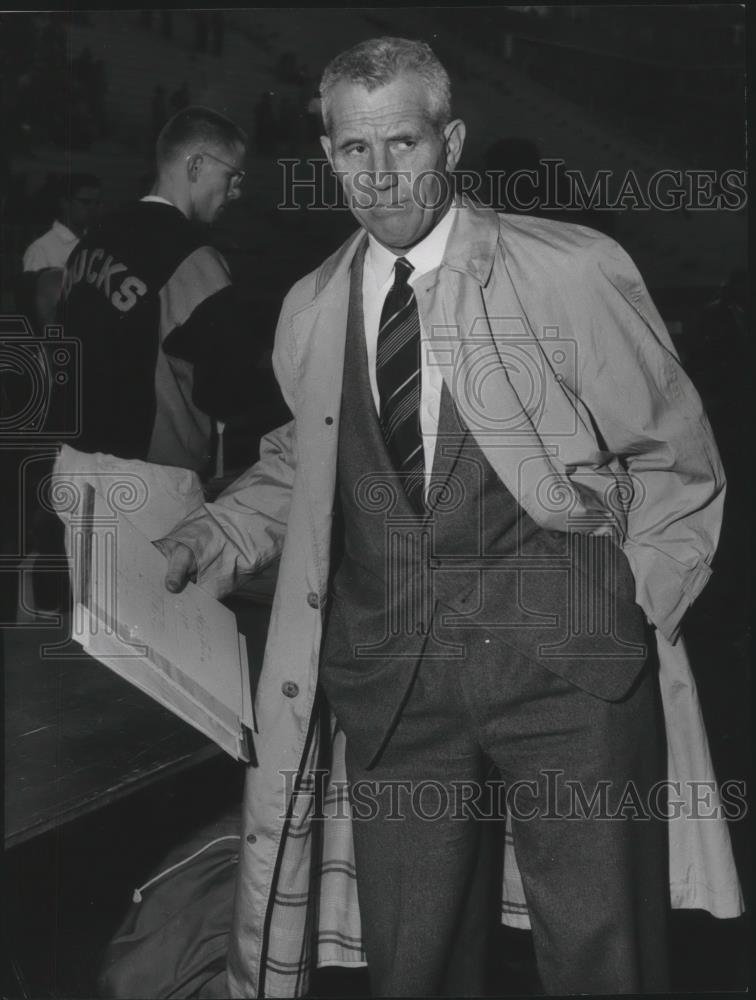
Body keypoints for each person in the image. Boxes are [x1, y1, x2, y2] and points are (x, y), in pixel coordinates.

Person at [157, 39, 741, 997]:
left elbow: (676, 459)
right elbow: (312, 459)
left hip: (570, 674)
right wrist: (217, 530)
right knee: (412, 963)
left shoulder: (571, 271)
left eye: (403, 143)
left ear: (451, 139)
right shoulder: (310, 308)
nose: (379, 175)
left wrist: (635, 607)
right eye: (353, 149)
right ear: (327, 152)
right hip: (393, 685)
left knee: (607, 959)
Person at [57, 105, 255, 477]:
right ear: (196, 166)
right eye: (232, 175)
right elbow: (228, 390)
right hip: (150, 479)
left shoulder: (89, 241)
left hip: (73, 467)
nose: (237, 190)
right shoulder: (195, 257)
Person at [21, 172, 101, 329]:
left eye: (97, 203)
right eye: (85, 202)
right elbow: (35, 309)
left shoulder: (96, 244)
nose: (93, 208)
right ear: (65, 203)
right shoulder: (41, 249)